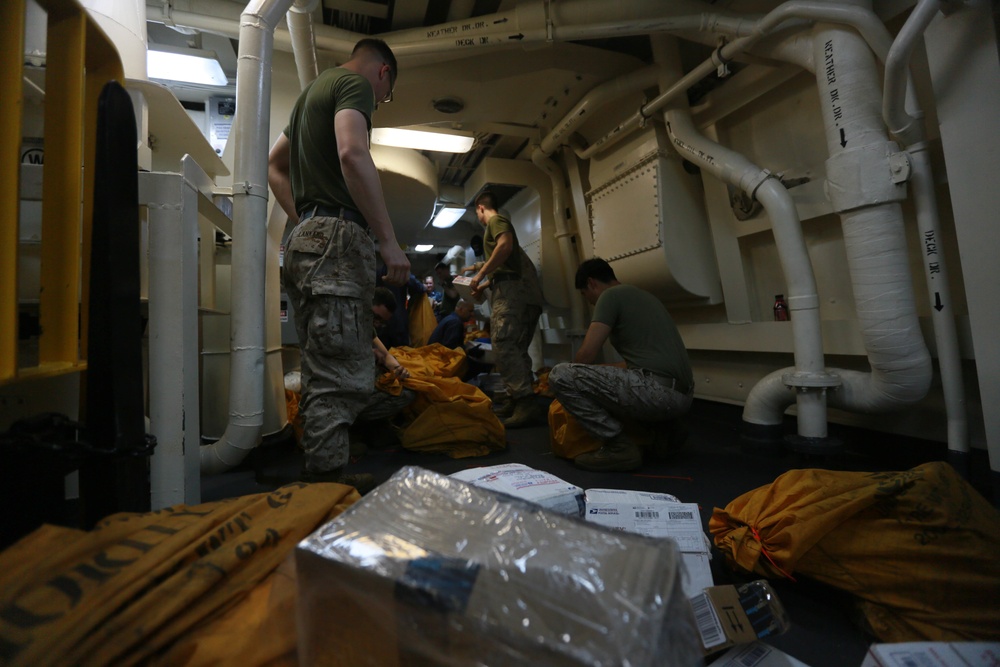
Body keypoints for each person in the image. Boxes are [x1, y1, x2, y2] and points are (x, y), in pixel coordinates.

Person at [267, 38, 409, 491]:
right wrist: (387, 241)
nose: (379, 102)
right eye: (385, 98)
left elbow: (274, 164)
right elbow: (352, 152)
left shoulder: (311, 93)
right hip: (337, 238)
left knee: (320, 361)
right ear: (383, 72)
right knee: (342, 371)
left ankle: (323, 467)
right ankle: (325, 483)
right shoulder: (355, 84)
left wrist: (304, 220)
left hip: (305, 239)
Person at [548, 258, 694, 472]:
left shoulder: (609, 295)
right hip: (683, 396)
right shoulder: (645, 296)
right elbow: (635, 364)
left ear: (591, 283)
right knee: (610, 372)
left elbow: (586, 356)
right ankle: (666, 432)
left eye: (585, 294)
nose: (589, 301)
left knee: (560, 375)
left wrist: (573, 386)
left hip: (659, 394)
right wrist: (598, 375)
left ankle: (619, 447)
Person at [469, 191, 544, 428]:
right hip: (520, 294)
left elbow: (505, 245)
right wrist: (484, 283)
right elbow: (505, 268)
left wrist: (480, 273)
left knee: (503, 345)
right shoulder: (497, 227)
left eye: (477, 213)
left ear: (481, 208)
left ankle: (524, 401)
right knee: (516, 348)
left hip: (512, 296)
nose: (479, 218)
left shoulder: (496, 222)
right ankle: (518, 398)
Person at [376, 266, 424, 348]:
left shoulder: (378, 273)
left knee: (383, 353)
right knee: (401, 354)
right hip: (399, 321)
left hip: (381, 320)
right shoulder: (402, 273)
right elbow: (419, 288)